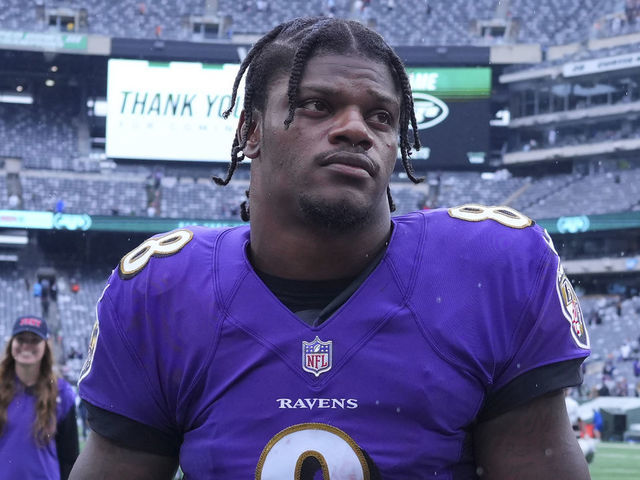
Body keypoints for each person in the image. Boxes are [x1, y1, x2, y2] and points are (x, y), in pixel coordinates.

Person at [71, 17, 591, 479]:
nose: (355, 129)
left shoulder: (489, 268)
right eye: (318, 106)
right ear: (250, 130)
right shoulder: (161, 290)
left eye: (381, 116)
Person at [0, 315, 78, 479]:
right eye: (21, 339)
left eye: (34, 340)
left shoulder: (62, 393)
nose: (26, 345)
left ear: (46, 346)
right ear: (11, 344)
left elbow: (69, 457)